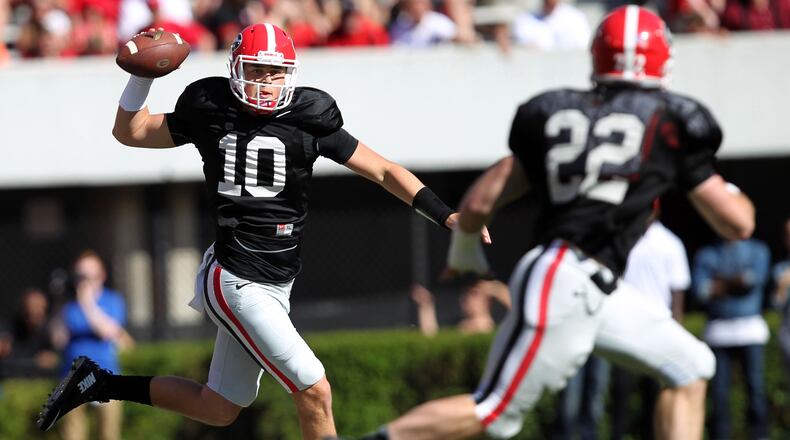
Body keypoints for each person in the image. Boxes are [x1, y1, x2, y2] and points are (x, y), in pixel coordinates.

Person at [37, 23, 487, 440]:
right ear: (235, 68)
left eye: (275, 72)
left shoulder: (310, 114)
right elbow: (131, 132)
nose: (265, 81)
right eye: (257, 69)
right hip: (234, 277)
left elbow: (385, 171)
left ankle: (97, 382)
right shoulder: (210, 106)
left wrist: (447, 215)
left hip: (277, 279)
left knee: (219, 407)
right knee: (315, 388)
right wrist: (142, 78)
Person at [348, 6, 755, 440]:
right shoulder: (672, 123)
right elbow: (738, 224)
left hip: (595, 284)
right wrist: (717, 182)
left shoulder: (558, 114)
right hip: (567, 278)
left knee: (691, 366)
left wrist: (465, 253)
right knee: (496, 412)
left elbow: (482, 198)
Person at [610, 219, 691, 440]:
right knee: (621, 396)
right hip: (624, 330)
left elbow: (677, 292)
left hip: (658, 330)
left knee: (655, 398)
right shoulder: (623, 238)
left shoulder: (669, 242)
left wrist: (676, 334)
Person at [692, 237, 770, 440]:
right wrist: (736, 282)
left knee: (755, 390)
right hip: (718, 333)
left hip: (750, 331)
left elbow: (751, 282)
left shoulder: (757, 249)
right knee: (719, 395)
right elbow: (701, 291)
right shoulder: (707, 252)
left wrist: (719, 283)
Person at [52, 251, 133, 440]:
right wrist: (58, 302)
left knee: (108, 433)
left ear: (101, 276)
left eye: (88, 276)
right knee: (72, 434)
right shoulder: (68, 305)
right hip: (71, 375)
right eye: (79, 275)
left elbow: (108, 332)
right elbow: (58, 339)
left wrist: (87, 303)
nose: (83, 281)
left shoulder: (112, 300)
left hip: (105, 374)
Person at [410, 279, 511, 337]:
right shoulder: (458, 325)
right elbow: (433, 339)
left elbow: (518, 307)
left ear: (487, 301)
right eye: (466, 293)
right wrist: (426, 306)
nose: (467, 298)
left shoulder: (495, 330)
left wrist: (493, 287)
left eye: (474, 294)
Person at [4, 288, 59, 378]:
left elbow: (54, 357)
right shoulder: (10, 327)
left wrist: (52, 357)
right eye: (33, 306)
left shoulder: (48, 330)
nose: (37, 311)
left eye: (40, 307)